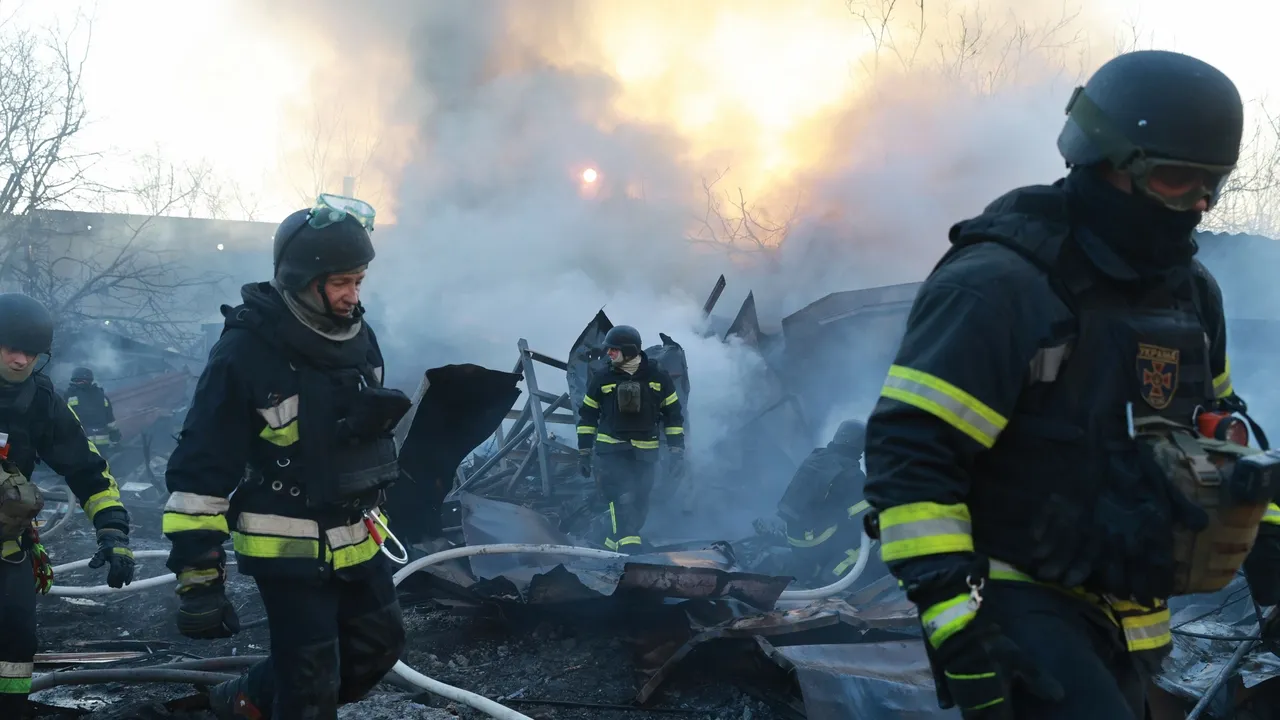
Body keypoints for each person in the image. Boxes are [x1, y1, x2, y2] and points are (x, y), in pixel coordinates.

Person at [862, 50, 1267, 719]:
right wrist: (958, 625)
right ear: (1107, 160)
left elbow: (1226, 429)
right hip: (1015, 595)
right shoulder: (1000, 286)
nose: (1197, 205)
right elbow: (912, 458)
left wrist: (1269, 552)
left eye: (1211, 185)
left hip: (1134, 609)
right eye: (1175, 180)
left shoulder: (1191, 295)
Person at [161, 194, 413, 720]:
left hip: (356, 532)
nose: (352, 296)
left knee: (377, 649)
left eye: (358, 282)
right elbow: (202, 464)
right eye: (341, 283)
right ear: (303, 279)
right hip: (287, 544)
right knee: (310, 684)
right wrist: (199, 576)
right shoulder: (247, 352)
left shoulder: (359, 339)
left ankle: (247, 698)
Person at [0, 293, 134, 716]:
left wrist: (113, 531)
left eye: (32, 353)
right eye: (12, 348)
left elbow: (88, 470)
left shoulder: (40, 401)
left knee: (16, 642)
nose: (21, 361)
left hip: (6, 552)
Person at [576, 325, 685, 554]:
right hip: (611, 452)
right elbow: (587, 416)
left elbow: (673, 417)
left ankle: (608, 545)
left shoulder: (657, 377)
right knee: (621, 498)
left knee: (640, 500)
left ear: (629, 350)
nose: (609, 354)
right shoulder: (602, 378)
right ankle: (629, 552)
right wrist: (584, 452)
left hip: (645, 453)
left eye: (613, 350)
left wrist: (677, 452)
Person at [776, 419, 884, 587]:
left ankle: (813, 568)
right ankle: (833, 575)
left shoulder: (816, 457)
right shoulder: (852, 474)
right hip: (815, 541)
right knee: (872, 538)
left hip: (793, 537)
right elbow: (863, 515)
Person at [63, 367, 121, 448]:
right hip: (101, 445)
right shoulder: (102, 396)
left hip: (80, 444)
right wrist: (116, 440)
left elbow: (62, 420)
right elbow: (110, 422)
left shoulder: (68, 395)